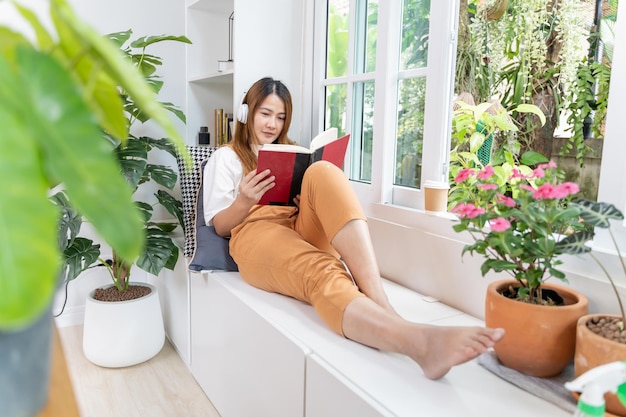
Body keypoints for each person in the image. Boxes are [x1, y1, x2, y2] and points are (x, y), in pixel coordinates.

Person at [203, 77, 505, 380]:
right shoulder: (227, 157)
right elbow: (219, 226)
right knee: (321, 268)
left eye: (281, 117)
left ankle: (379, 299)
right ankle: (418, 344)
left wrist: (303, 198)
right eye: (265, 113)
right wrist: (244, 200)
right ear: (246, 113)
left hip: (296, 224)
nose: (272, 124)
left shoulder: (291, 152)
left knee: (322, 170)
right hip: (256, 234)